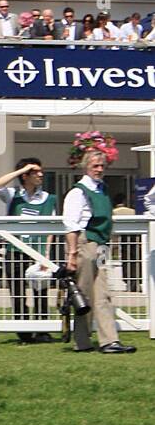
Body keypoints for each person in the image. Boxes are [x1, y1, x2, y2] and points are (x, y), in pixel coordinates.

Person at [63, 148, 135, 353]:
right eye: (95, 165)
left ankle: (109, 341)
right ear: (86, 166)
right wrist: (72, 254)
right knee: (83, 294)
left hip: (101, 246)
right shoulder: (78, 192)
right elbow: (71, 225)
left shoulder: (101, 189)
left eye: (102, 166)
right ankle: (82, 341)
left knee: (103, 293)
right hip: (86, 244)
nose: (99, 169)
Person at [0, 157, 56, 343]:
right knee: (18, 292)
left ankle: (43, 330)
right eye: (35, 172)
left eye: (40, 171)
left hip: (37, 253)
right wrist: (22, 170)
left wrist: (45, 256)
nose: (40, 174)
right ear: (26, 175)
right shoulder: (14, 195)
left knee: (40, 292)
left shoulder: (48, 198)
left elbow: (50, 228)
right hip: (15, 251)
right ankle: (23, 331)